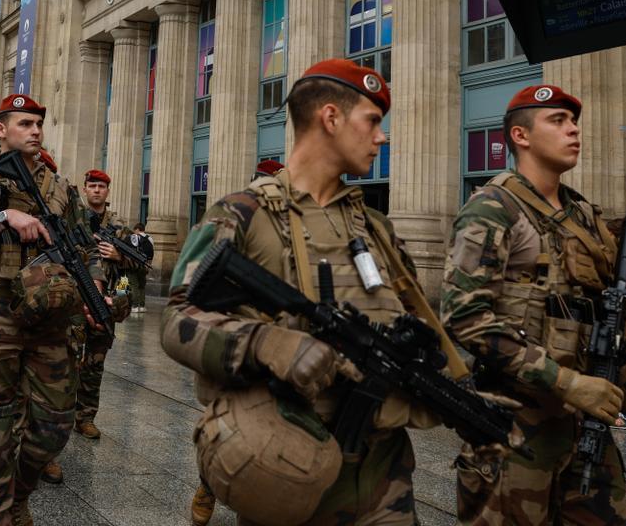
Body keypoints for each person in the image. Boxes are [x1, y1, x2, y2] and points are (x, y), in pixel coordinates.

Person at [162, 59, 449, 526]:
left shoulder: (376, 228)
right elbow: (177, 319)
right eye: (373, 121)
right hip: (287, 462)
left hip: (385, 476)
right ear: (331, 118)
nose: (383, 136)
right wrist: (264, 344)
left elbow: (413, 321)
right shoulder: (242, 213)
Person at [442, 84, 626, 525]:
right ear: (521, 136)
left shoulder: (583, 214)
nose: (574, 130)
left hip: (585, 423)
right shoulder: (493, 209)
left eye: (573, 122)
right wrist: (567, 383)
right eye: (558, 121)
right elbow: (465, 317)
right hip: (517, 431)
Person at [0, 94, 100, 526]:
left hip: (50, 320)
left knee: (54, 425)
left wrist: (94, 285)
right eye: (24, 123)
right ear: (1, 128)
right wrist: (1, 220)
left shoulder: (62, 188)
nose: (34, 131)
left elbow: (85, 247)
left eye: (38, 124)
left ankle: (19, 493)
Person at [73, 168, 133, 439]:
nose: (97, 190)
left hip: (106, 301)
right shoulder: (74, 220)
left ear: (108, 191)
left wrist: (119, 255)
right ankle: (62, 416)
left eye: (101, 186)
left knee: (95, 362)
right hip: (75, 299)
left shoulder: (119, 226)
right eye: (92, 186)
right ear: (85, 189)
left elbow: (136, 268)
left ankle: (86, 417)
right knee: (68, 360)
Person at [126, 222, 153, 313]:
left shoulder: (132, 237)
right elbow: (151, 253)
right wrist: (148, 265)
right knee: (142, 285)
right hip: (144, 265)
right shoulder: (149, 238)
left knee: (134, 285)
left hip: (132, 265)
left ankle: (134, 305)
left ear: (137, 229)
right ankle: (141, 306)